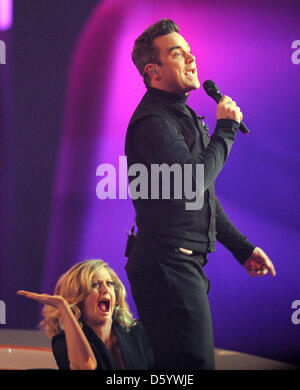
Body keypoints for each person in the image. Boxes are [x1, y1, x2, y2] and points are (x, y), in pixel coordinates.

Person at [124, 19, 276, 370]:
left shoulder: (182, 116)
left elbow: (200, 198)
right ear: (154, 71)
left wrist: (243, 248)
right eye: (178, 54)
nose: (192, 58)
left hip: (180, 266)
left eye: (190, 51)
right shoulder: (154, 122)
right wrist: (226, 129)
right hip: (167, 267)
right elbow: (192, 181)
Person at [17, 259, 153, 370]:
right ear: (79, 299)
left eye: (109, 283)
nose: (105, 290)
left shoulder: (136, 331)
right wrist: (63, 307)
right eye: (95, 285)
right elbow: (86, 367)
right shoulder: (64, 342)